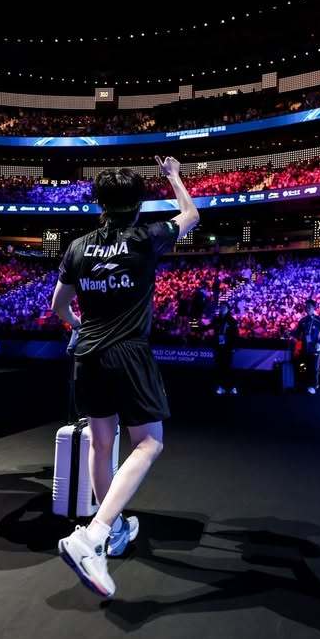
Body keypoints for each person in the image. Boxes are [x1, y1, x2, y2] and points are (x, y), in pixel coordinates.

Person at [52, 156, 199, 598]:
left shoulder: (77, 247)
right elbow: (191, 215)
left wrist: (79, 326)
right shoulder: (146, 236)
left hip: (88, 355)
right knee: (149, 443)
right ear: (138, 205)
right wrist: (174, 176)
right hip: (129, 353)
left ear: (99, 203)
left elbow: (59, 306)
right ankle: (94, 535)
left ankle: (112, 530)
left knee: (102, 444)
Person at [292, 299, 320, 395]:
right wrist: (291, 334)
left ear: (314, 308)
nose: (307, 308)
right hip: (305, 348)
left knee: (314, 368)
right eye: (306, 307)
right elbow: (297, 334)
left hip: (315, 348)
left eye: (309, 307)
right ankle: (305, 384)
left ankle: (314, 385)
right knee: (304, 367)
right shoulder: (302, 321)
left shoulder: (318, 320)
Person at [210, 302, 239, 395]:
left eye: (224, 307)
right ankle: (221, 387)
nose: (222, 308)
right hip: (219, 347)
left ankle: (232, 387)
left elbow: (235, 335)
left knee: (228, 367)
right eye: (221, 307)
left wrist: (233, 347)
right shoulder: (217, 319)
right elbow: (211, 328)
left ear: (228, 308)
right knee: (219, 367)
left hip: (228, 348)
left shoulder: (232, 321)